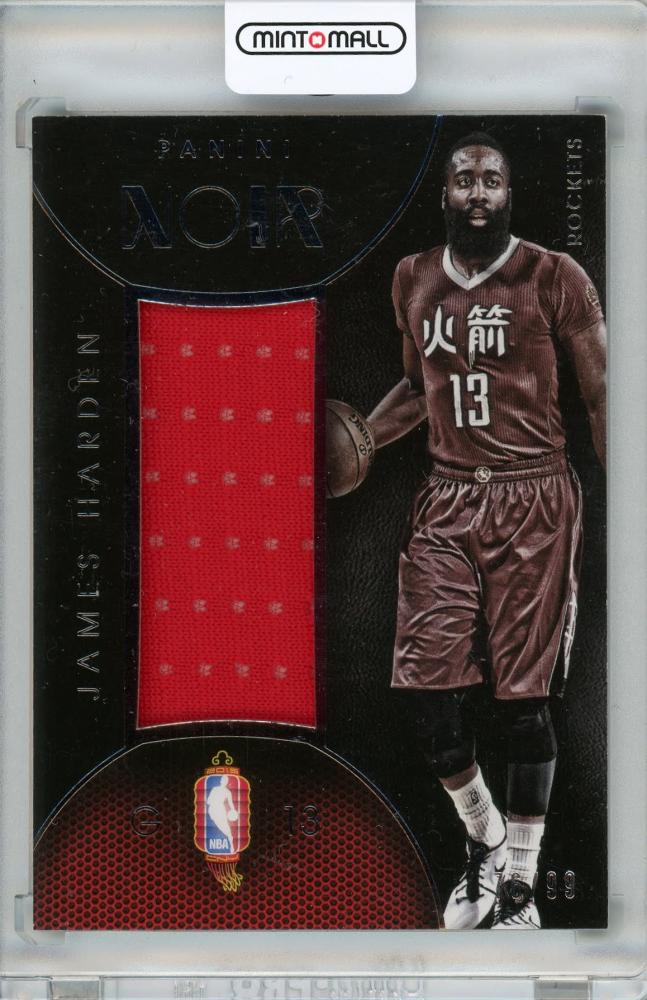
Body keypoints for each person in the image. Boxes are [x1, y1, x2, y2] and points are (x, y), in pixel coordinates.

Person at [365, 132, 606, 929]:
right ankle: (485, 839)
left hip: (532, 498)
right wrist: (360, 439)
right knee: (429, 701)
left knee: (522, 705)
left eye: (490, 180)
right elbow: (416, 388)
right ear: (443, 194)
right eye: (463, 179)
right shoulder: (411, 276)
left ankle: (521, 886)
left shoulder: (553, 276)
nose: (476, 191)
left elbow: (603, 394)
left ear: (508, 194)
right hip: (445, 499)